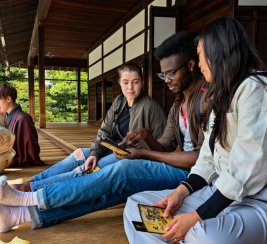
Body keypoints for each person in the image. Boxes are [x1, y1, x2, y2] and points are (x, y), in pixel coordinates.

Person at [0, 31, 206, 233]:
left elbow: (202, 160)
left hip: (191, 176)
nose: (166, 81)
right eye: (162, 75)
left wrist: (145, 152)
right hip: (137, 157)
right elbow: (163, 145)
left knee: (117, 170)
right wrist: (144, 136)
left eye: (170, 74)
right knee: (100, 178)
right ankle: (17, 215)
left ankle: (32, 195)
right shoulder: (174, 104)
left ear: (192, 65)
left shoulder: (204, 101)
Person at [123, 17, 267, 244]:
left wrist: (196, 217)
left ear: (220, 52)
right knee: (137, 207)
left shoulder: (256, 90)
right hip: (217, 194)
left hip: (258, 204)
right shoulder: (222, 92)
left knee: (204, 240)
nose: (201, 65)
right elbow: (207, 156)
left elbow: (245, 173)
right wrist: (180, 192)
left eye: (202, 57)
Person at [10, 63, 166, 191]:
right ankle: (35, 180)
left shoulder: (151, 107)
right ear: (119, 83)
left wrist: (141, 149)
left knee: (87, 169)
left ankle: (31, 188)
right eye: (126, 82)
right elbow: (104, 131)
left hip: (129, 157)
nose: (130, 87)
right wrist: (94, 153)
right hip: (111, 149)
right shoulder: (120, 101)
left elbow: (163, 148)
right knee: (80, 154)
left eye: (135, 82)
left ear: (142, 82)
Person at [0, 83, 45, 167]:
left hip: (17, 159)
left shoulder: (23, 118)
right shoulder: (4, 116)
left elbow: (31, 145)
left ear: (8, 99)